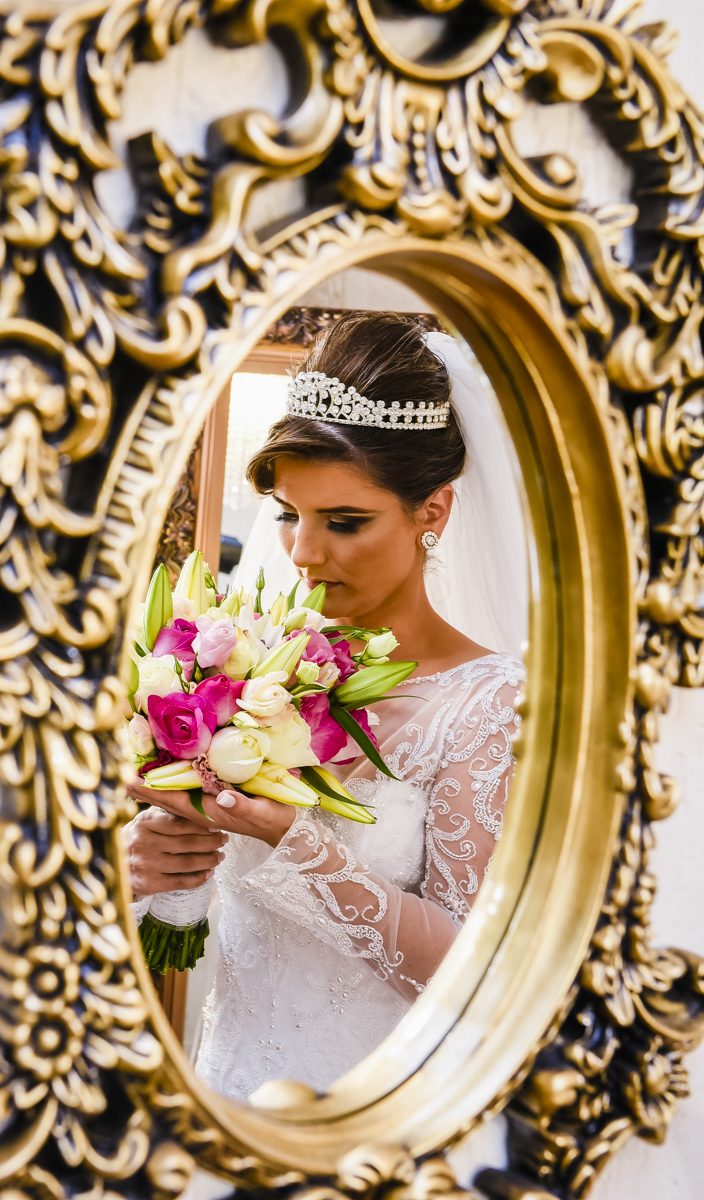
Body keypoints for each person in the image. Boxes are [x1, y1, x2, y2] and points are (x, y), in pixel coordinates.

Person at [123, 312, 526, 1100]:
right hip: (233, 1084)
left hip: (376, 1117)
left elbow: (475, 977)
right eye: (288, 514)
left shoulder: (488, 702)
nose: (305, 553)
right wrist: (154, 863)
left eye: (345, 522)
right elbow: (189, 910)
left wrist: (296, 845)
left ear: (433, 511)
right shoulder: (244, 654)